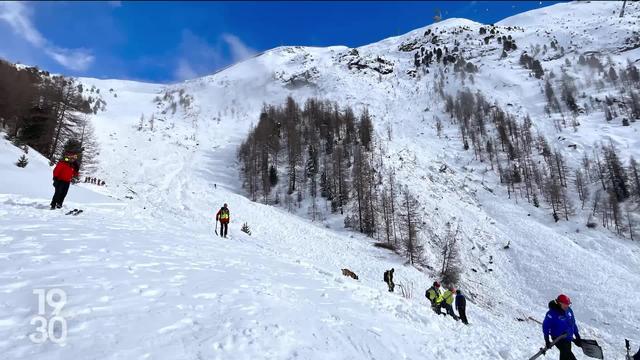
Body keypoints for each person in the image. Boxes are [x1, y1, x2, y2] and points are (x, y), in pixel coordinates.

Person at [542, 294, 582, 360]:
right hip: (558, 337)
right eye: (565, 304)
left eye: (568, 304)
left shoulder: (569, 311)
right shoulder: (552, 313)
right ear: (559, 303)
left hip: (568, 337)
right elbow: (546, 326)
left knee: (566, 354)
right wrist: (546, 339)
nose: (567, 306)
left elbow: (573, 323)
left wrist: (577, 336)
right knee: (565, 352)